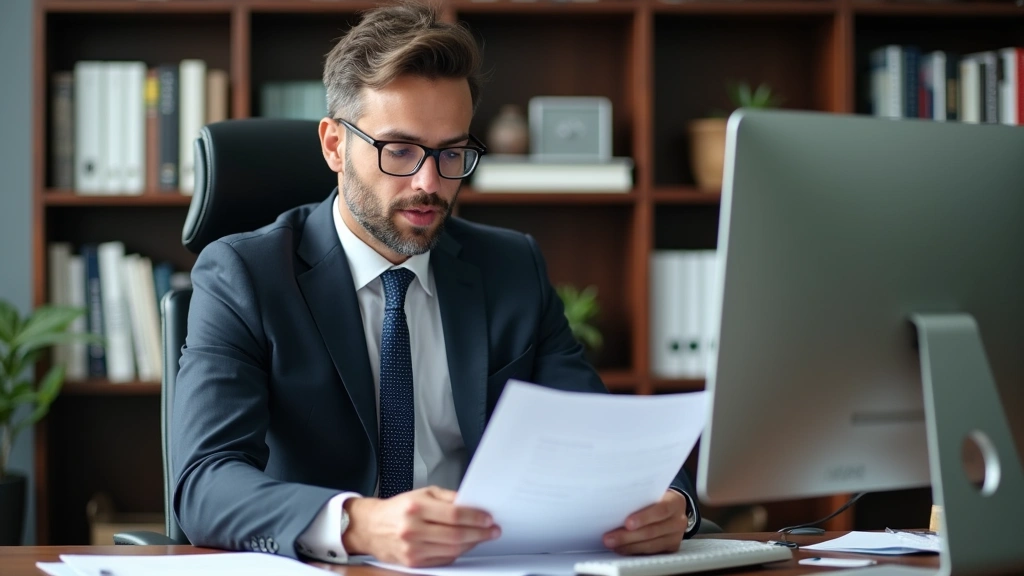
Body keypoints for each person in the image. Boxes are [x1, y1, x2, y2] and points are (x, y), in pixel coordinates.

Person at [171, 1, 700, 568]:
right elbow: (203, 483)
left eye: (452, 153)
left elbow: (597, 435)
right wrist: (359, 523)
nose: (430, 183)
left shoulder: (510, 267)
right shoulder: (245, 275)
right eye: (399, 150)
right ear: (333, 145)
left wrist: (674, 503)